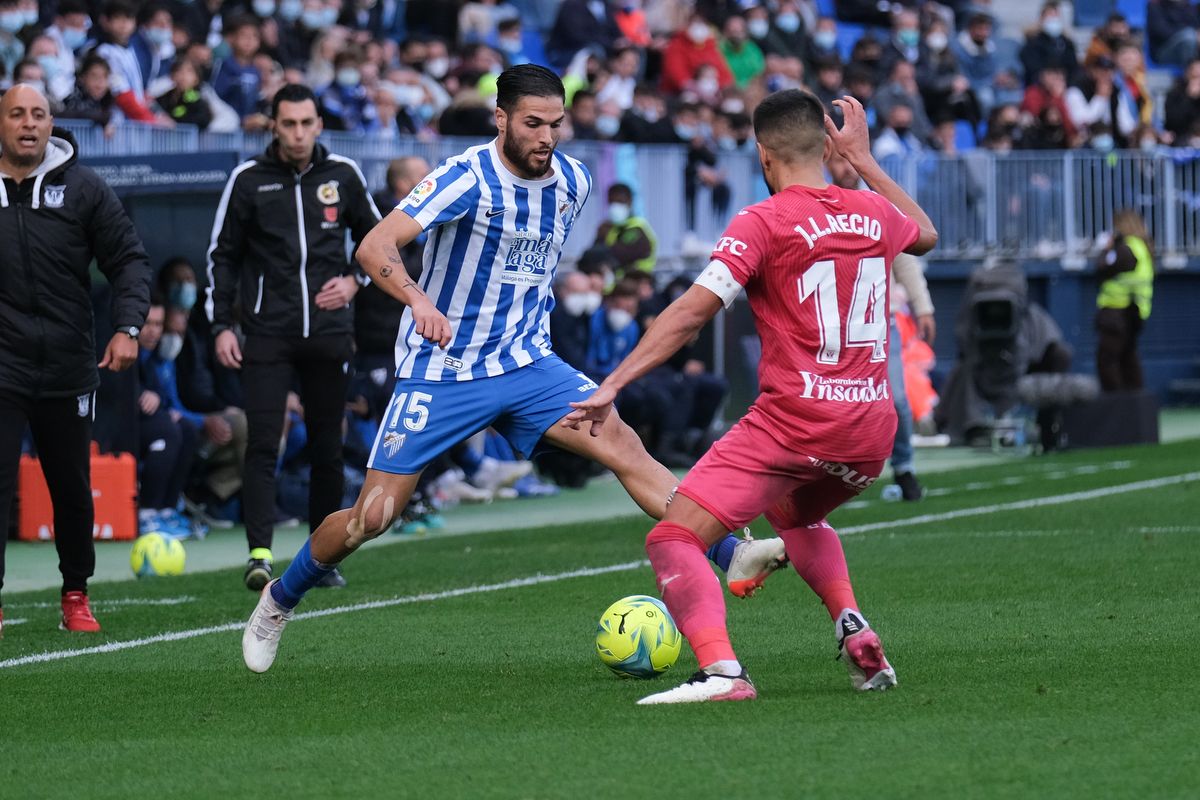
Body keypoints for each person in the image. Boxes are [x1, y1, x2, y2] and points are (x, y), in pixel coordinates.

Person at [241, 65, 788, 674]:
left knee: (624, 446)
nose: (547, 136)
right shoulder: (464, 176)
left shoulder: (573, 182)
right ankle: (279, 598)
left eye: (557, 123)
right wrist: (420, 301)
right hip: (442, 368)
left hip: (527, 364)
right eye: (532, 123)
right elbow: (374, 246)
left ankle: (730, 550)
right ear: (500, 119)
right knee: (372, 518)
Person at [564, 91, 938, 703]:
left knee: (673, 537)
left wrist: (613, 382)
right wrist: (865, 161)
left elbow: (690, 314)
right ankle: (853, 627)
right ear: (827, 148)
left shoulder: (762, 221)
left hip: (795, 422)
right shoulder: (872, 211)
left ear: (763, 155)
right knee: (794, 515)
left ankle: (721, 674)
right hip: (871, 430)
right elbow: (925, 234)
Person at [207, 83, 382, 591]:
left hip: (329, 334)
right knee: (264, 442)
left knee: (329, 446)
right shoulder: (248, 180)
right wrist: (221, 326)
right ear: (274, 126)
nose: (299, 133)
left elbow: (377, 240)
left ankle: (320, 559)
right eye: (289, 124)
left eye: (307, 123)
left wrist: (355, 280)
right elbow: (222, 256)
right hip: (267, 332)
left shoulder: (343, 176)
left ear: (319, 124)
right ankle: (259, 555)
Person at [0, 85, 151, 636]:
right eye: (16, 113)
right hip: (4, 367)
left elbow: (130, 261)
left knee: (70, 487)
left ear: (51, 124)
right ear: (1, 123)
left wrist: (128, 327)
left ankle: (75, 594)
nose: (28, 124)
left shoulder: (85, 188)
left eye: (38, 114)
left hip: (68, 365)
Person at [1094, 209, 1153, 392]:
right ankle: (1134, 405)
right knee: (1128, 358)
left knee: (1108, 359)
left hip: (1117, 312)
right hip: (1134, 311)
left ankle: (1118, 404)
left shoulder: (1126, 249)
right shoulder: (1142, 247)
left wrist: (1105, 249)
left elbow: (1103, 269)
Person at [593, 182, 657, 277]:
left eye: (620, 202)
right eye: (611, 202)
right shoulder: (610, 228)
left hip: (638, 283)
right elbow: (593, 256)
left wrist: (603, 238)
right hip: (616, 284)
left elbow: (619, 255)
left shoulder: (637, 228)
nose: (615, 206)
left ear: (629, 202)